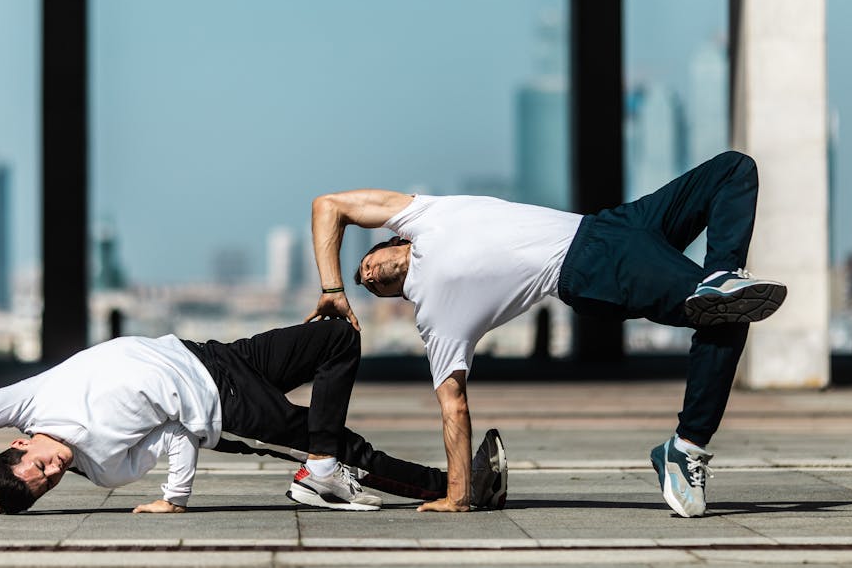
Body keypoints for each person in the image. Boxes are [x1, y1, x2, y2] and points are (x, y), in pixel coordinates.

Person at [305, 150, 787, 517]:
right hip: (588, 268)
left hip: (612, 225)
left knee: (734, 169)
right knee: (724, 313)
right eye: (366, 284)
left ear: (393, 239)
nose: (366, 277)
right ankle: (686, 447)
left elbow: (329, 206)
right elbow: (454, 403)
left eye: (366, 264)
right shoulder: (436, 315)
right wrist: (457, 495)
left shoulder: (424, 215)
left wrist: (332, 288)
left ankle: (721, 278)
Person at [0, 320, 508, 515]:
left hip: (216, 355)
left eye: (39, 465)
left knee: (337, 339)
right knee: (345, 447)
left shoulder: (27, 401)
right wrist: (175, 496)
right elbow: (178, 434)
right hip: (224, 409)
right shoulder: (105, 466)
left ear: (17, 445)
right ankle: (459, 486)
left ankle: (322, 464)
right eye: (50, 483)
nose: (56, 469)